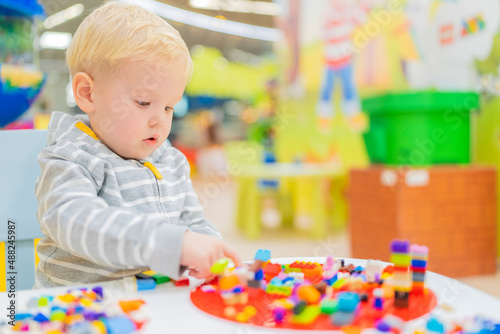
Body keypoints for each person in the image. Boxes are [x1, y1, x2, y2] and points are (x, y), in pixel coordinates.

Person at [34, 1, 240, 288]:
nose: (160, 121)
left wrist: (211, 251)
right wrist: (167, 244)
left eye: (169, 107)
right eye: (143, 102)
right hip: (78, 310)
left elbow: (192, 222)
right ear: (87, 94)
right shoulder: (71, 158)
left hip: (153, 305)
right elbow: (73, 219)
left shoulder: (171, 162)